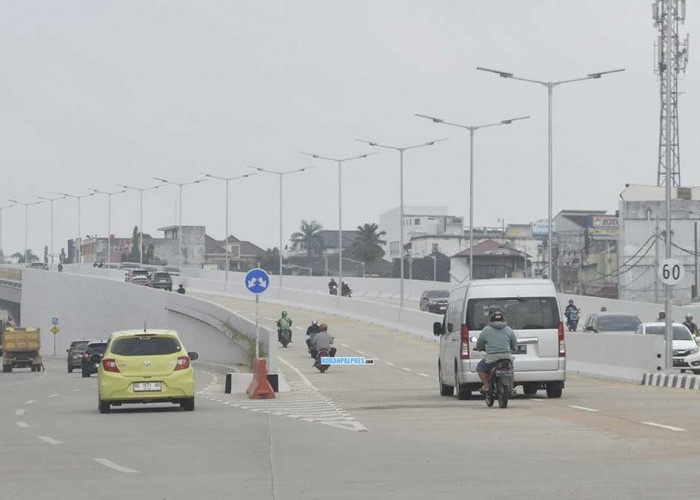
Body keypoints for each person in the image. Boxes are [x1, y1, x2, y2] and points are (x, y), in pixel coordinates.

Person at [475, 308, 517, 393]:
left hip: (492, 358)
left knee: (480, 368)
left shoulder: (486, 330)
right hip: (507, 356)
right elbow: (514, 342)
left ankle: (486, 386)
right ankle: (511, 388)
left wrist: (479, 348)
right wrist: (512, 348)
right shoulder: (508, 329)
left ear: (490, 319)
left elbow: (480, 344)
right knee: (510, 370)